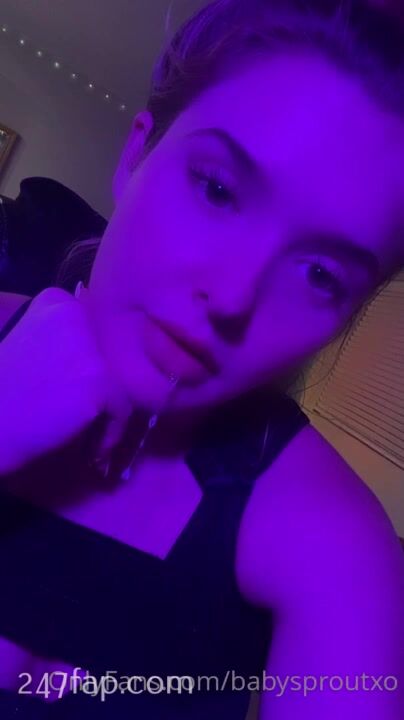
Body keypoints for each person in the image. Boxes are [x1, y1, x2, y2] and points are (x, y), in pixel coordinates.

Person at [0, 0, 403, 717]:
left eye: (320, 275)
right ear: (136, 154)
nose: (234, 294)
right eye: (217, 189)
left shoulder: (338, 548)